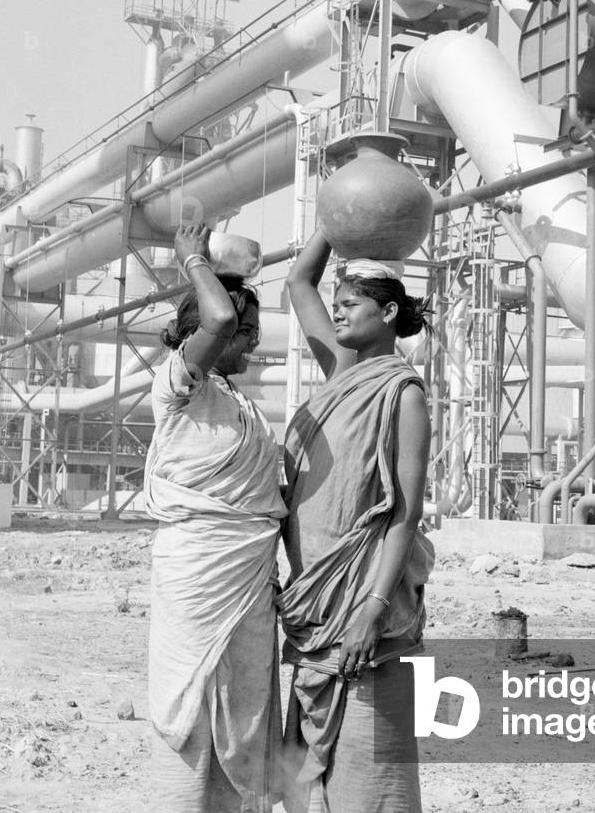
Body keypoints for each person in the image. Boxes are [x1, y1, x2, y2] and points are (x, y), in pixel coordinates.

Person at [279, 228, 434, 813]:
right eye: (336, 305)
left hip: (365, 609)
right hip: (312, 604)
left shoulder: (404, 393)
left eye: (351, 305)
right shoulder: (340, 369)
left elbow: (404, 511)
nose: (337, 313)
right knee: (302, 776)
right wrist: (332, 219)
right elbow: (298, 282)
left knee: (371, 776)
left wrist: (371, 608)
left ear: (388, 311)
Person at [144, 224, 286, 813]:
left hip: (251, 579)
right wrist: (193, 258)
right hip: (198, 575)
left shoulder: (239, 403)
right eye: (245, 332)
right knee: (189, 710)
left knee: (244, 712)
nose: (250, 342)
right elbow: (220, 322)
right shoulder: (180, 386)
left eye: (254, 332)